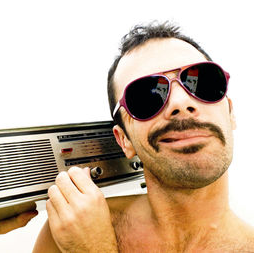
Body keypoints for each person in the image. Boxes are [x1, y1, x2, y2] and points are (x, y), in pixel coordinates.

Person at [32, 21, 254, 252]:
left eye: (204, 83)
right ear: (123, 140)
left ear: (230, 113)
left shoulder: (80, 239)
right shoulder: (72, 227)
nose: (180, 103)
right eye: (147, 97)